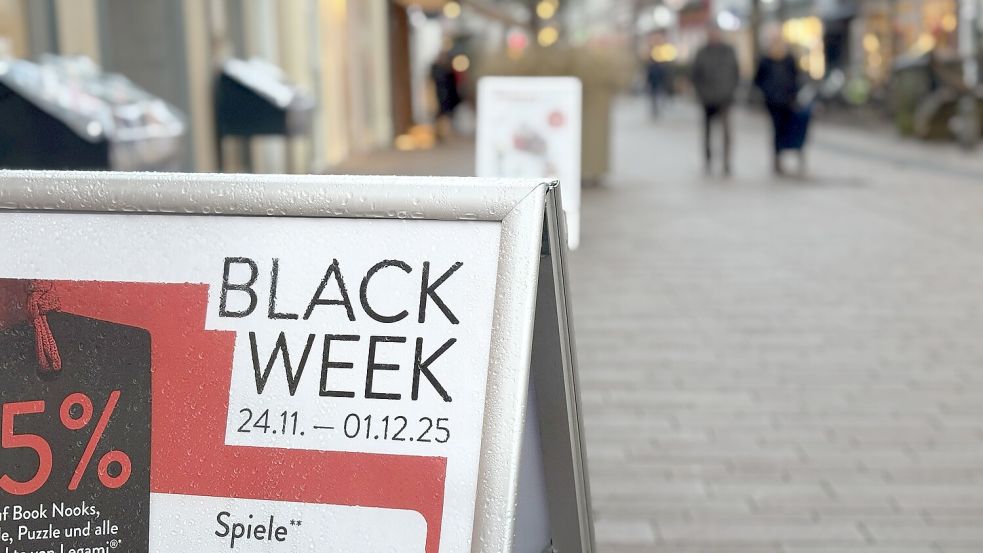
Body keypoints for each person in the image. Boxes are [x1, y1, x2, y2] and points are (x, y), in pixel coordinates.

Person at [690, 24, 740, 176]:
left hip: (725, 98)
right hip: (707, 98)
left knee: (726, 131)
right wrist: (701, 93)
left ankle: (726, 161)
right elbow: (695, 75)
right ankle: (708, 159)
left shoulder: (728, 51)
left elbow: (736, 73)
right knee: (707, 131)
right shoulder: (702, 52)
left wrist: (731, 90)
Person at [754, 32, 803, 175]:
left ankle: (786, 154)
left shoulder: (789, 59)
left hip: (788, 100)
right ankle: (777, 158)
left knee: (788, 128)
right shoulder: (765, 60)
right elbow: (758, 79)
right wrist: (767, 92)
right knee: (776, 129)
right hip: (773, 102)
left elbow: (796, 77)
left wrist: (793, 94)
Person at [430, 51, 461, 141]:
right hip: (439, 95)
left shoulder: (446, 70)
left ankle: (444, 134)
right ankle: (440, 134)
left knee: (445, 115)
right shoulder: (439, 70)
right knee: (441, 115)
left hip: (446, 96)